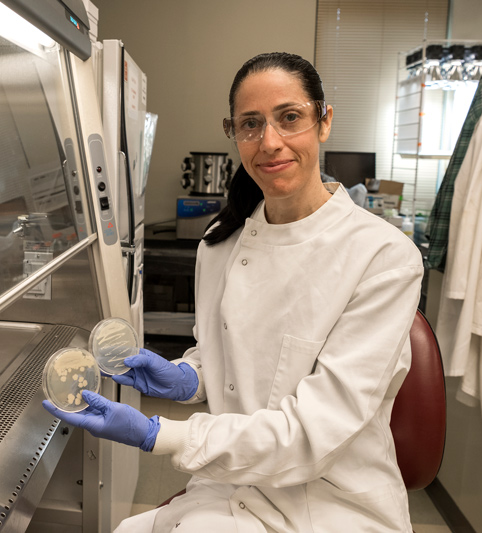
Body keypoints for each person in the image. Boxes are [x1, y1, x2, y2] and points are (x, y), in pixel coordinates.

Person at [43, 52, 423, 532]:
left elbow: (312, 434)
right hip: (231, 483)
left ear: (323, 122)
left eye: (289, 118)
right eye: (250, 125)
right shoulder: (220, 245)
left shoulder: (383, 256)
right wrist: (188, 376)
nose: (269, 142)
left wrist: (158, 433)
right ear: (234, 134)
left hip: (328, 501)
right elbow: (229, 360)